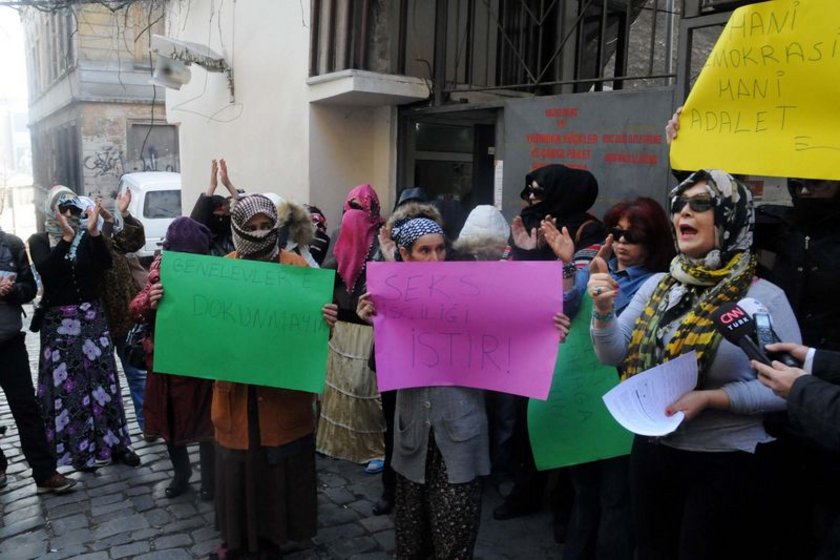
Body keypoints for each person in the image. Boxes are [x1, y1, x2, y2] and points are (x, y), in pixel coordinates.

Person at [588, 169, 800, 559]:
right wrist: (602, 311)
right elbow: (612, 354)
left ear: (730, 216)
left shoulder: (763, 299)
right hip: (654, 452)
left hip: (727, 462)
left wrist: (712, 398)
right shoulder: (658, 287)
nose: (684, 213)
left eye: (700, 204)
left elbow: (788, 389)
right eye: (679, 205)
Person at [151, 194, 338, 559]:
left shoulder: (296, 268)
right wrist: (165, 303)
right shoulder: (222, 271)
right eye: (250, 227)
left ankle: (277, 538)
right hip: (236, 396)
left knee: (277, 467)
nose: (259, 233)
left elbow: (309, 336)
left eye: (266, 226)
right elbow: (196, 327)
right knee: (240, 469)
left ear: (276, 227)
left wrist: (324, 323)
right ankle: (239, 541)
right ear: (236, 230)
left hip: (281, 397)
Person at [542, 197, 673, 560]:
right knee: (584, 493)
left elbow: (626, 341)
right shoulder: (599, 267)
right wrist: (569, 263)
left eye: (635, 236)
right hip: (583, 396)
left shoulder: (658, 285)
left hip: (624, 401)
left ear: (655, 241)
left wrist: (604, 305)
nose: (623, 243)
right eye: (616, 232)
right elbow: (564, 306)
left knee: (615, 499)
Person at [356, 216, 490, 559]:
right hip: (413, 433)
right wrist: (376, 320)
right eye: (424, 251)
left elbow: (510, 322)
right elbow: (389, 361)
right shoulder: (393, 297)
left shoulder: (471, 291)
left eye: (440, 249)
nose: (435, 258)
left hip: (460, 431)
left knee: (455, 536)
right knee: (412, 538)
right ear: (405, 254)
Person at [495, 164, 603, 531]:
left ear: (563, 195)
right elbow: (507, 283)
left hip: (568, 346)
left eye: (538, 194)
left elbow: (573, 299)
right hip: (526, 341)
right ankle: (525, 492)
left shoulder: (590, 232)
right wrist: (525, 251)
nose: (529, 201)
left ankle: (564, 508)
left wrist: (560, 258)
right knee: (526, 422)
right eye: (528, 193)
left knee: (565, 422)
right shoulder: (527, 227)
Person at [28, 186, 138, 471]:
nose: (68, 215)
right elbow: (48, 272)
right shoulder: (40, 240)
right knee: (70, 389)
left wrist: (91, 233)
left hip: (92, 320)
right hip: (59, 325)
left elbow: (105, 263)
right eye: (62, 210)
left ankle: (116, 445)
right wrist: (65, 239)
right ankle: (80, 451)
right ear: (51, 211)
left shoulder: (87, 237)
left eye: (73, 210)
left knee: (104, 383)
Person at [129, 217, 216, 500]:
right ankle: (182, 474)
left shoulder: (214, 275)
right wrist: (149, 301)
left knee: (206, 420)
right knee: (170, 421)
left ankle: (210, 479)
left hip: (202, 357)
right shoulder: (158, 271)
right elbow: (134, 307)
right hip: (167, 359)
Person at [0, 223, 77, 493]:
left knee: (27, 409)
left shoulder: (11, 244)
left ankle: (45, 472)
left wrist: (13, 291)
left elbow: (30, 287)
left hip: (8, 342)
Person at [317, 184, 386, 468]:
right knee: (338, 385)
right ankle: (335, 441)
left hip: (367, 327)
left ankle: (374, 448)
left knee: (363, 389)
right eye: (350, 209)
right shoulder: (337, 235)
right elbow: (324, 276)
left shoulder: (382, 241)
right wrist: (342, 253)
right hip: (341, 325)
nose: (354, 216)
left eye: (361, 210)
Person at [94, 190, 148, 434]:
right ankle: (112, 439)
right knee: (103, 383)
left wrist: (123, 213)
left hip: (126, 319)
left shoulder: (111, 242)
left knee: (137, 375)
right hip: (97, 325)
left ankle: (148, 425)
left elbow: (134, 240)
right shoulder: (82, 246)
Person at [190, 159, 240, 256]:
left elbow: (247, 214)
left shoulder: (235, 239)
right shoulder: (201, 244)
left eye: (224, 209)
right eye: (217, 209)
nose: (220, 213)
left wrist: (229, 185)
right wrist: (211, 189)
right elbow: (194, 227)